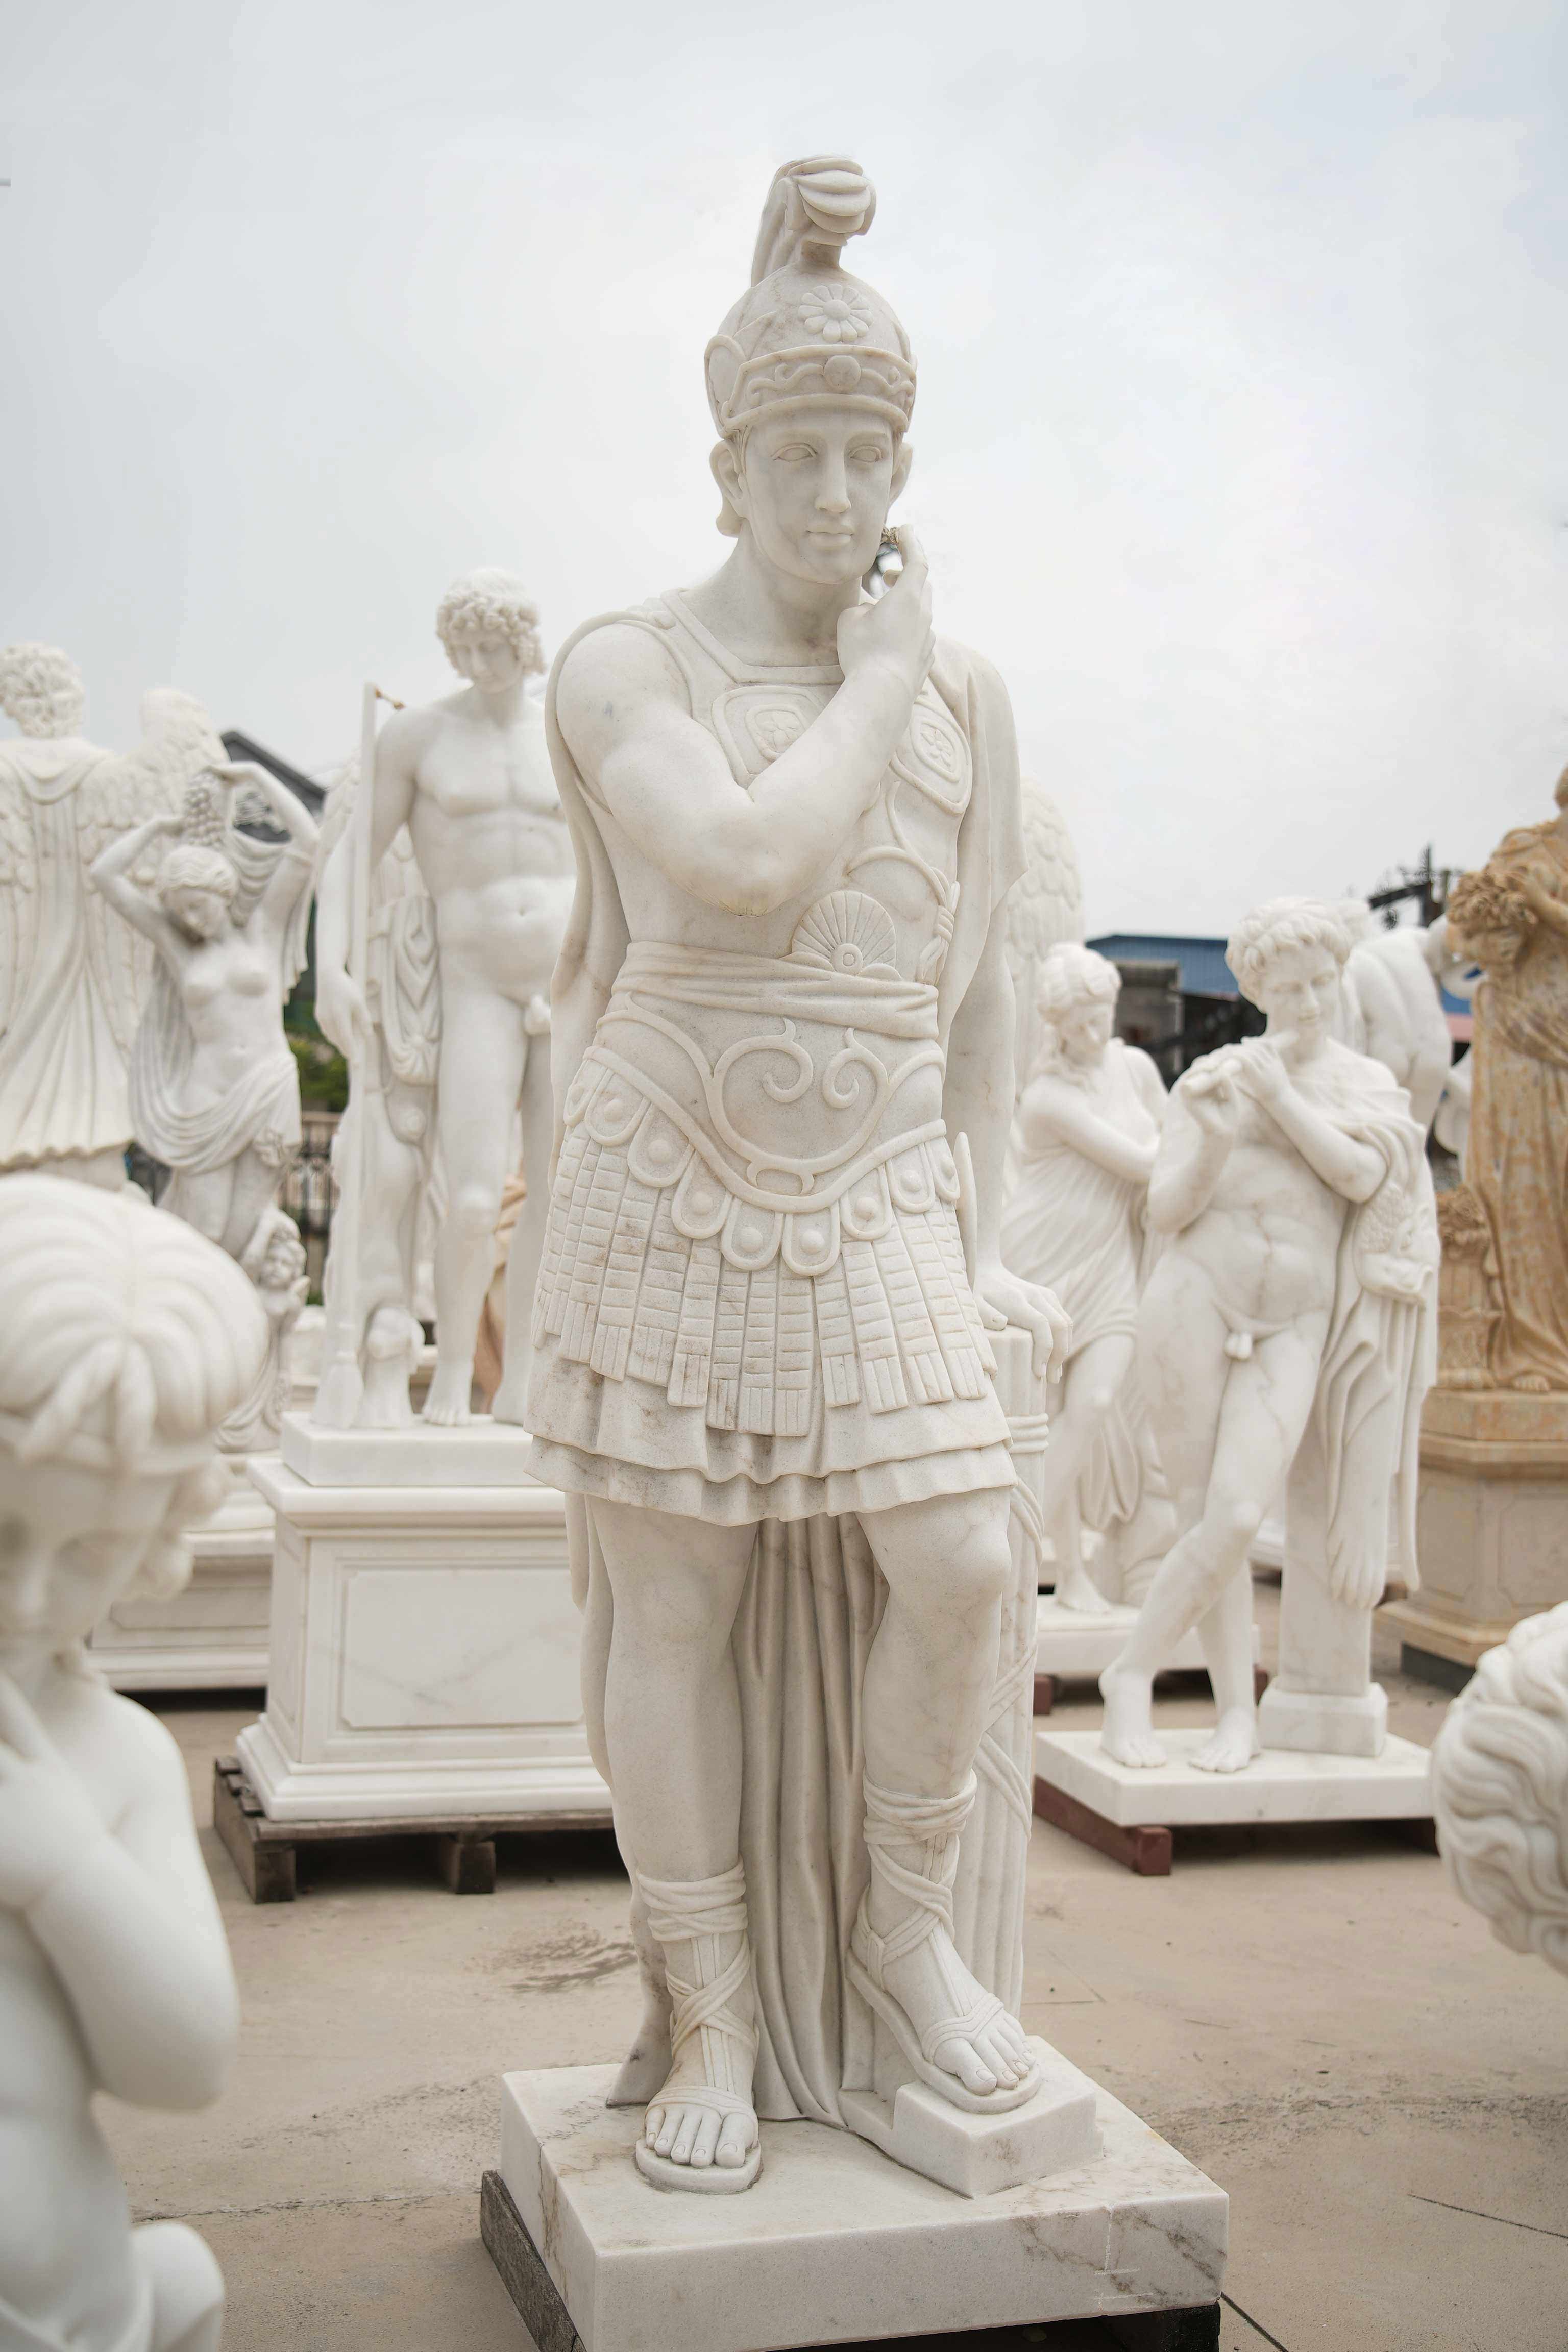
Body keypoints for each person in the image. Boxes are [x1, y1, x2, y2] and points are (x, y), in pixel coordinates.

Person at [528, 158, 1068, 2190]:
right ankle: (718, 2004)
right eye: (798, 456)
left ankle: (903, 1940)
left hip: (876, 1196)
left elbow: (987, 991)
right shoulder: (625, 665)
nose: (837, 497)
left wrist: (986, 1233)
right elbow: (744, 862)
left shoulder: (971, 698)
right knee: (678, 1609)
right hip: (666, 1170)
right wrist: (873, 684)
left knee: (963, 1561)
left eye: (870, 455)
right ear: (728, 466)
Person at [0, 1173, 267, 2351]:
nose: (25, 1596)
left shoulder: (112, 1757)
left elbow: (187, 2061)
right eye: (2, 1529)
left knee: (187, 2279)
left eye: (91, 1550)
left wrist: (60, 1865)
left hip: (82, 2310)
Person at [1099, 897, 1436, 1773]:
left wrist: (1280, 1098)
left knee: (1239, 1508)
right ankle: (1232, 1715)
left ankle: (1129, 1670)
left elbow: (1364, 1175)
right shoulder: (1209, 1077)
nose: (1310, 1000)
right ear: (1255, 992)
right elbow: (1165, 1207)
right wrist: (1212, 1139)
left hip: (1295, 1317)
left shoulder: (1361, 1081)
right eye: (1287, 988)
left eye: (1320, 980)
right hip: (1194, 1297)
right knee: (1203, 1517)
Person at [314, 570, 573, 1426]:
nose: (480, 662)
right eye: (465, 649)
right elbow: (354, 856)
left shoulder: (567, 732)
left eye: (495, 647)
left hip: (566, 984)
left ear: (525, 645)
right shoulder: (419, 737)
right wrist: (332, 968)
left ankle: (525, 1377)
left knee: (554, 1188)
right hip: (476, 986)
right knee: (469, 1199)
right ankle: (455, 1372)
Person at [89, 762, 317, 1263]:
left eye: (198, 905)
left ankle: (234, 1328)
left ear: (223, 891)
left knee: (246, 1225)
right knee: (207, 1226)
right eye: (181, 910)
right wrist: (155, 829)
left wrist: (256, 776)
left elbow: (307, 842)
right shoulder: (179, 947)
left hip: (268, 1085)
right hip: (208, 1095)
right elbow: (104, 875)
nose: (190, 919)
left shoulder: (265, 926)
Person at [1001, 946, 1166, 1611]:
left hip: (1109, 1260)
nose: (1093, 1033)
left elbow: (1169, 1139)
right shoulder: (1046, 1099)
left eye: (1100, 1016)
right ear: (1055, 1025)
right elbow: (1145, 1161)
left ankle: (1020, 1533)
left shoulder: (1136, 1068)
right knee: (1050, 1415)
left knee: (1094, 1406)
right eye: (1077, 1023)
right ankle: (1065, 1574)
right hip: (1044, 1256)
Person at [1444, 768, 1568, 1393]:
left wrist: (1548, 910)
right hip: (1523, 1033)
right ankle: (1530, 1350)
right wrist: (1488, 939)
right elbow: (1460, 927)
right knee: (1527, 1191)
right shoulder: (1525, 850)